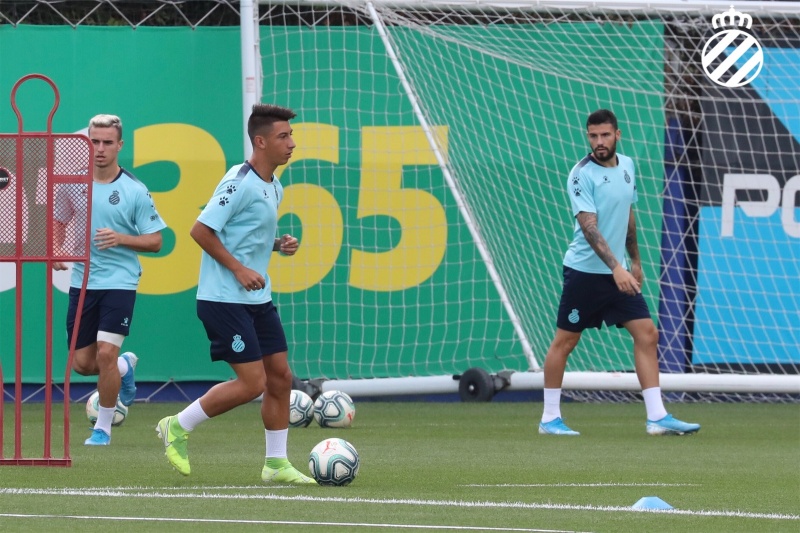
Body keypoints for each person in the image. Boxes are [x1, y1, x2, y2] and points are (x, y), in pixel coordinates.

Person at [156, 104, 315, 484]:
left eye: (291, 135)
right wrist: (239, 269)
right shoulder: (238, 182)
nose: (292, 143)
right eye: (283, 136)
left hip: (257, 299)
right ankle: (177, 425)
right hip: (223, 299)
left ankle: (275, 464)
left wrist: (277, 245)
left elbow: (243, 235)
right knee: (252, 384)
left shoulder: (273, 185)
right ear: (260, 142)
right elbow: (201, 230)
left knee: (281, 377)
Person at [538, 109, 700, 437]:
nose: (599, 141)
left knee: (648, 334)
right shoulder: (581, 175)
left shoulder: (627, 165)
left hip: (619, 271)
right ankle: (549, 419)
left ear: (617, 135)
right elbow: (589, 228)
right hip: (585, 273)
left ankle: (657, 417)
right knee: (565, 342)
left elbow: (628, 214)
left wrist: (635, 261)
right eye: (593, 136)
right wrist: (616, 268)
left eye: (605, 135)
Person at [53, 114, 166, 446]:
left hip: (120, 281)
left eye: (107, 142)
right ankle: (124, 367)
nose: (99, 148)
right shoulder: (71, 183)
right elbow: (59, 221)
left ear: (119, 145)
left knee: (104, 354)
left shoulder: (134, 190)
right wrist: (57, 248)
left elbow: (155, 241)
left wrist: (121, 238)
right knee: (82, 364)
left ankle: (102, 429)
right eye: (94, 141)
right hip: (83, 281)